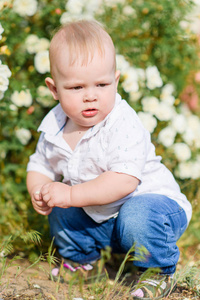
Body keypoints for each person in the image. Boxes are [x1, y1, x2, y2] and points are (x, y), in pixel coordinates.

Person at [26, 19, 192, 299]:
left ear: (115, 81)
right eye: (77, 88)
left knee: (134, 214)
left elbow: (124, 182)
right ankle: (83, 261)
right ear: (54, 90)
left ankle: (157, 271)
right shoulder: (53, 127)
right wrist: (39, 190)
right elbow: (39, 165)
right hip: (103, 221)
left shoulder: (122, 123)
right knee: (60, 204)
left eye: (101, 84)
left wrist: (70, 193)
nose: (91, 96)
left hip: (153, 210)